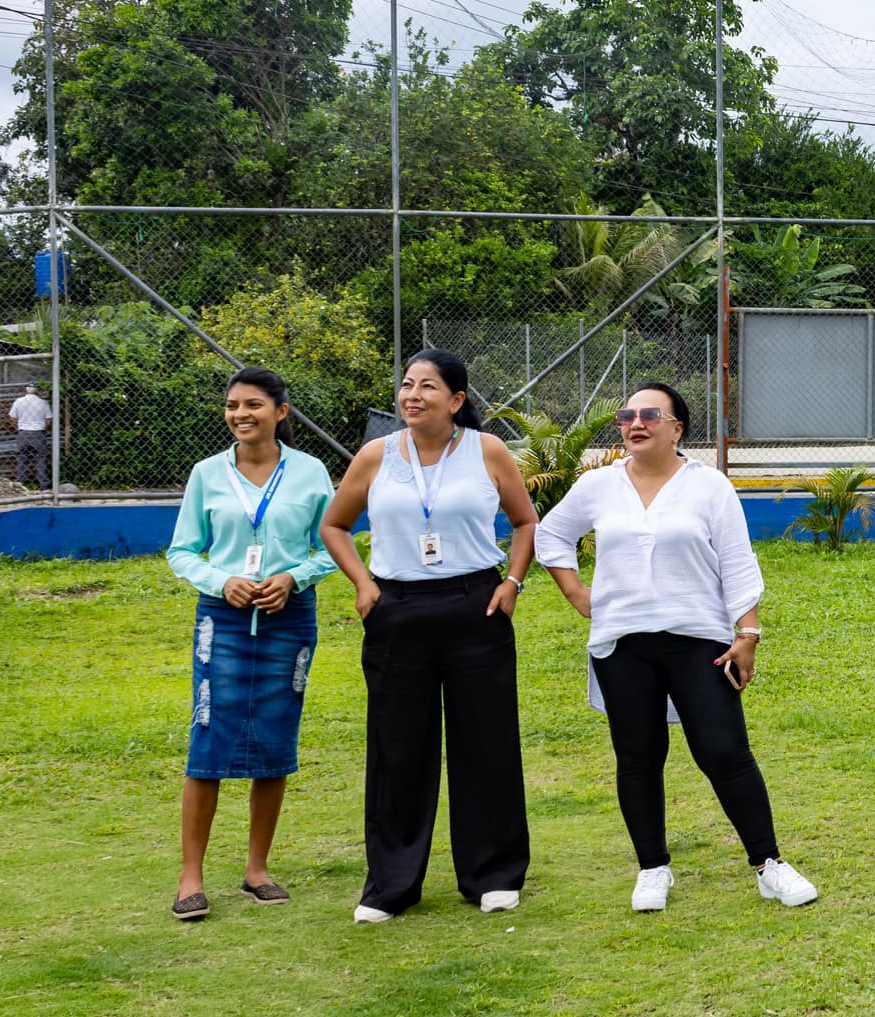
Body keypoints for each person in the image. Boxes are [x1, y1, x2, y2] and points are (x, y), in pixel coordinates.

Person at [537, 383, 817, 911]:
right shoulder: (598, 485)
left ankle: (769, 865)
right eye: (627, 416)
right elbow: (551, 535)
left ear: (676, 429)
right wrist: (576, 593)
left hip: (698, 639)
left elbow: (737, 560)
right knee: (638, 757)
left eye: (649, 414)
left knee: (724, 752)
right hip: (622, 643)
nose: (635, 423)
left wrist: (748, 634)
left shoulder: (709, 486)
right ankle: (652, 868)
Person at [321, 349, 539, 923]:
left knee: (486, 740)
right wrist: (363, 584)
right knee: (398, 746)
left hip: (475, 605)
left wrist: (513, 581)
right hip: (397, 609)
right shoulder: (376, 455)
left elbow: (525, 521)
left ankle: (493, 874)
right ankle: (390, 885)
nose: (412, 396)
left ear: (456, 400)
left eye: (427, 387)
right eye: (407, 385)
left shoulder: (487, 451)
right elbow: (333, 524)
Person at [162, 368, 338, 920]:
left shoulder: (310, 473)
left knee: (274, 739)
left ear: (280, 412)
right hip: (225, 620)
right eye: (233, 405)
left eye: (253, 405)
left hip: (289, 618)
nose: (241, 414)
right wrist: (222, 581)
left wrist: (293, 578)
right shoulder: (207, 474)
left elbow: (331, 545)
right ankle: (191, 878)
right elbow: (182, 551)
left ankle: (257, 871)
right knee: (208, 739)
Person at [9, 381, 50, 489]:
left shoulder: (18, 401)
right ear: (37, 390)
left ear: (26, 389)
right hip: (38, 433)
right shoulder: (43, 402)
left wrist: (18, 428)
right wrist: (43, 429)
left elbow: (12, 418)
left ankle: (20, 483)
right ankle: (43, 485)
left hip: (23, 432)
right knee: (41, 459)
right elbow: (48, 420)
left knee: (22, 459)